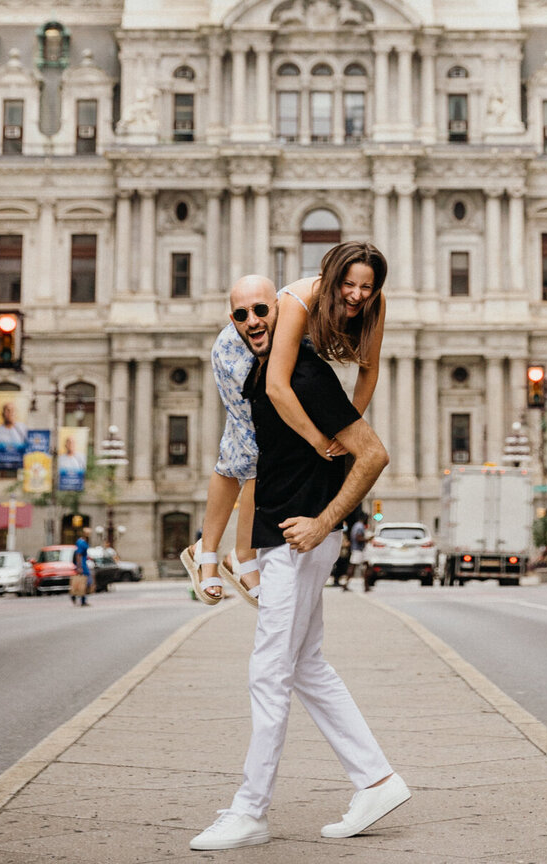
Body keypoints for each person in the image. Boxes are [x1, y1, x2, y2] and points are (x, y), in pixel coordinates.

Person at [190, 263, 409, 852]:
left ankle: (250, 811)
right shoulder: (266, 378)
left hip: (299, 537)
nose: (253, 323)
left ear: (288, 311)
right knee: (307, 666)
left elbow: (372, 453)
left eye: (264, 311)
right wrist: (233, 549)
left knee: (269, 671)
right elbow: (240, 460)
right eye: (241, 316)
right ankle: (377, 781)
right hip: (282, 536)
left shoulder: (307, 377)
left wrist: (323, 522)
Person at [183, 244, 387, 606]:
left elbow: (369, 369)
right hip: (241, 351)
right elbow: (277, 387)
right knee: (248, 449)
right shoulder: (299, 300)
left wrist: (350, 422)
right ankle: (211, 552)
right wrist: (319, 440)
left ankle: (236, 554)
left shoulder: (374, 304)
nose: (357, 294)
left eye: (366, 287)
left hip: (276, 352)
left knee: (254, 451)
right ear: (332, 279)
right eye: (349, 284)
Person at [71, 531, 93, 607]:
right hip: (82, 565)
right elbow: (78, 555)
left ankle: (82, 599)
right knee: (85, 582)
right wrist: (79, 567)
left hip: (84, 563)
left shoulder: (82, 542)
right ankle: (75, 595)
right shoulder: (81, 543)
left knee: (85, 582)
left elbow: (83, 554)